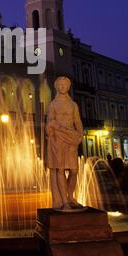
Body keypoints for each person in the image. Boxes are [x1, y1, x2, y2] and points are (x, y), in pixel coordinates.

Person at [46, 76, 84, 210]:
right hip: (57, 138)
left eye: (65, 85)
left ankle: (70, 196)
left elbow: (77, 121)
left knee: (74, 170)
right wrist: (50, 128)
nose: (62, 87)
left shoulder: (73, 105)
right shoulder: (53, 104)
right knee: (60, 169)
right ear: (57, 87)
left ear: (68, 87)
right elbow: (50, 120)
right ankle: (64, 201)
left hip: (71, 138)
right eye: (60, 85)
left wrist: (80, 134)